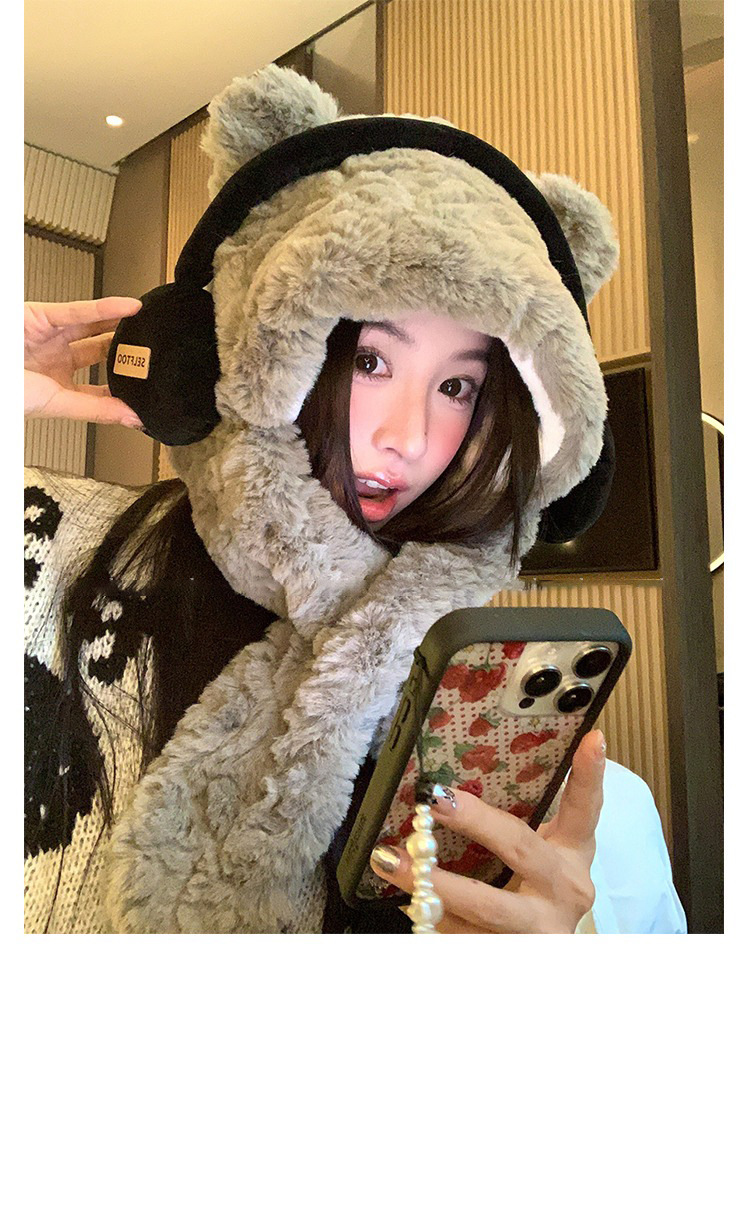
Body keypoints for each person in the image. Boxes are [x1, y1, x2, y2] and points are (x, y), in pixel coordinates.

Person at [24, 64, 686, 935]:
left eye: (458, 388)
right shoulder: (40, 555)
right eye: (371, 360)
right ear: (233, 354)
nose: (408, 437)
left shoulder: (565, 803)